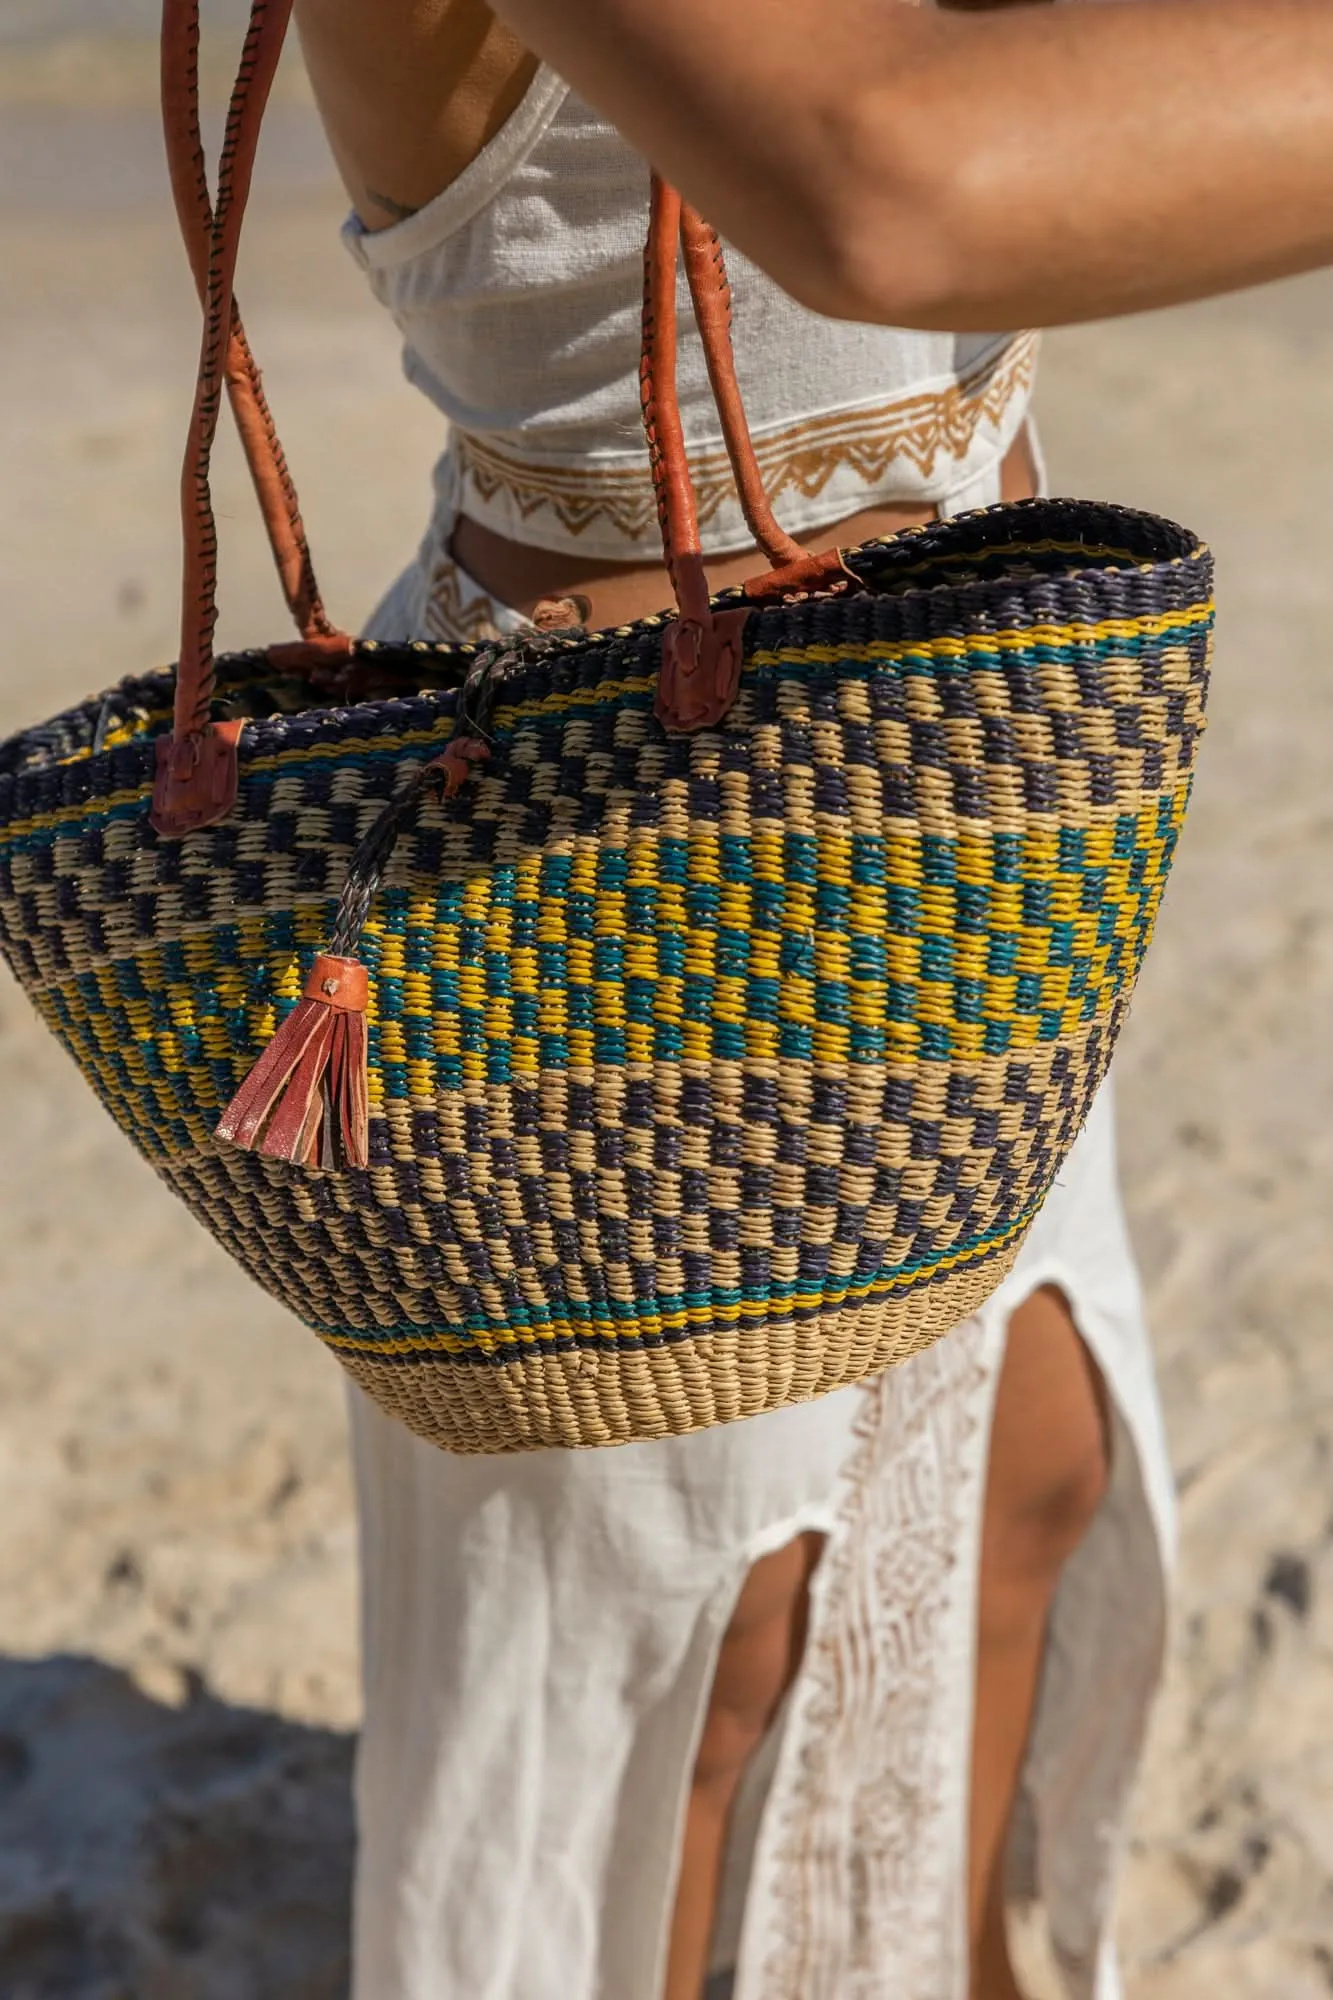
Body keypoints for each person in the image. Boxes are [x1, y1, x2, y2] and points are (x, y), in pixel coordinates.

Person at [290, 3, 1333, 1996]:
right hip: (613, 837)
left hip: (968, 769)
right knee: (716, 1632)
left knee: (1029, 1475)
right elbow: (888, 173)